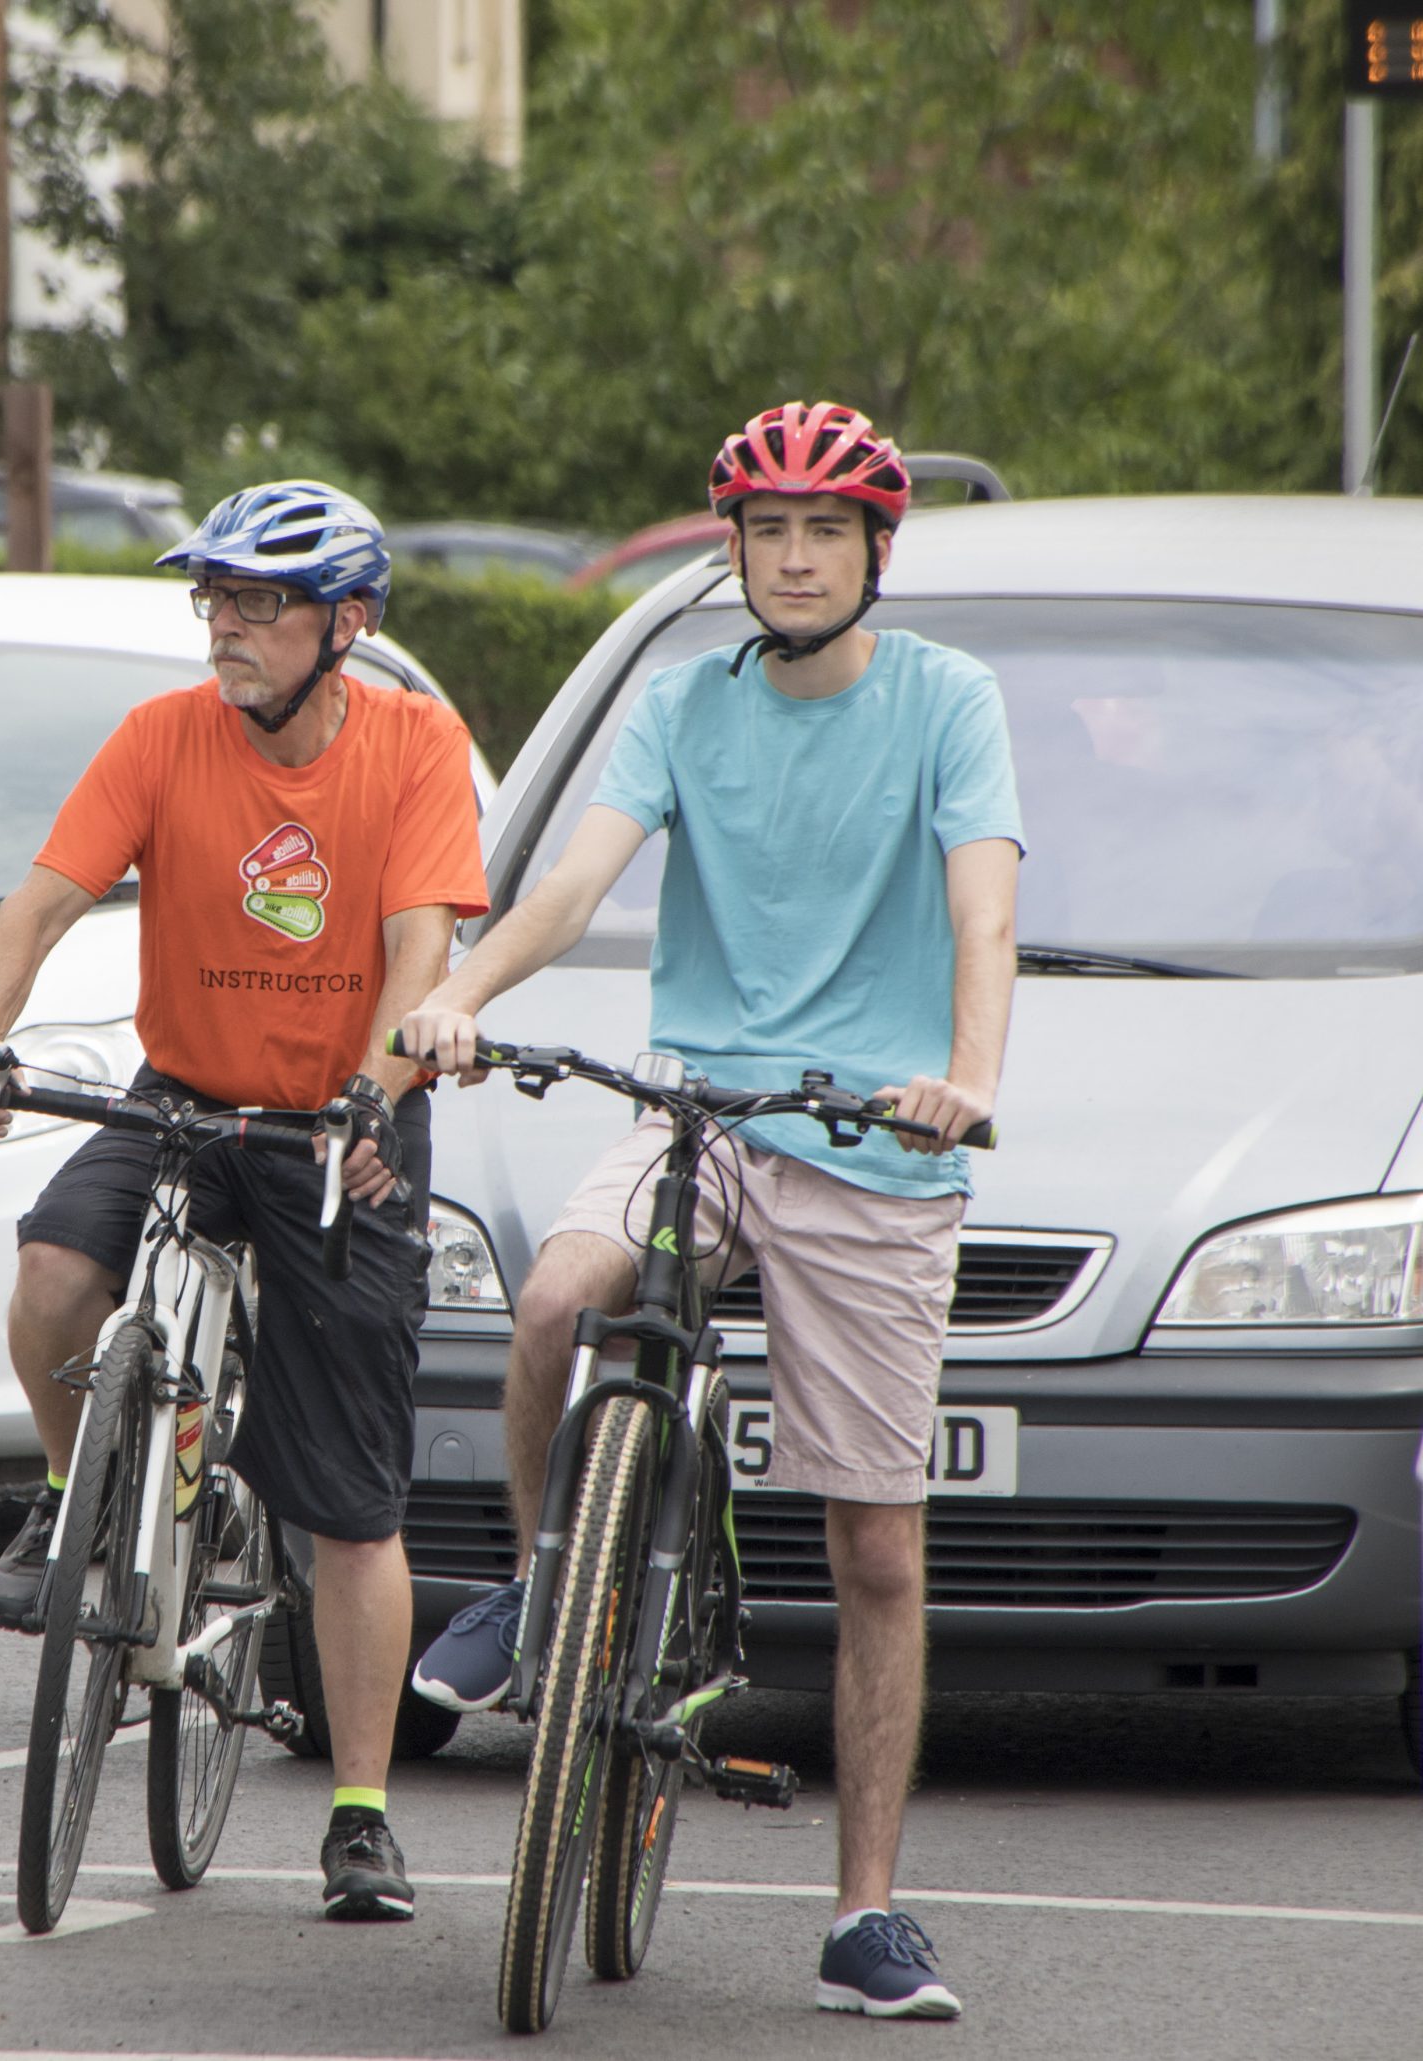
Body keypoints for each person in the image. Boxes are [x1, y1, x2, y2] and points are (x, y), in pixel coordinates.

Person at [401, 403, 1021, 2019]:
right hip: (708, 1104)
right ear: (731, 551)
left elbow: (984, 913)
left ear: (876, 550)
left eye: (827, 530)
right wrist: (456, 995)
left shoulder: (952, 702)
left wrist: (963, 1072)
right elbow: (567, 887)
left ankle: (864, 1915)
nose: (796, 556)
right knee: (553, 1301)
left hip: (875, 1137)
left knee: (877, 1543)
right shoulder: (682, 701)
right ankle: (551, 1585)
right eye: (768, 532)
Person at [0, 480, 488, 1923]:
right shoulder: (162, 737)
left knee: (355, 1504)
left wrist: (385, 1089)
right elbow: (40, 904)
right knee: (57, 1271)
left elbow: (421, 950)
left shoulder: (419, 745)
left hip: (342, 1121)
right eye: (216, 601)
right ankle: (75, 1496)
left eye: (259, 605)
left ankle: (362, 1813)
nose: (226, 631)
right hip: (186, 1092)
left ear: (345, 626)